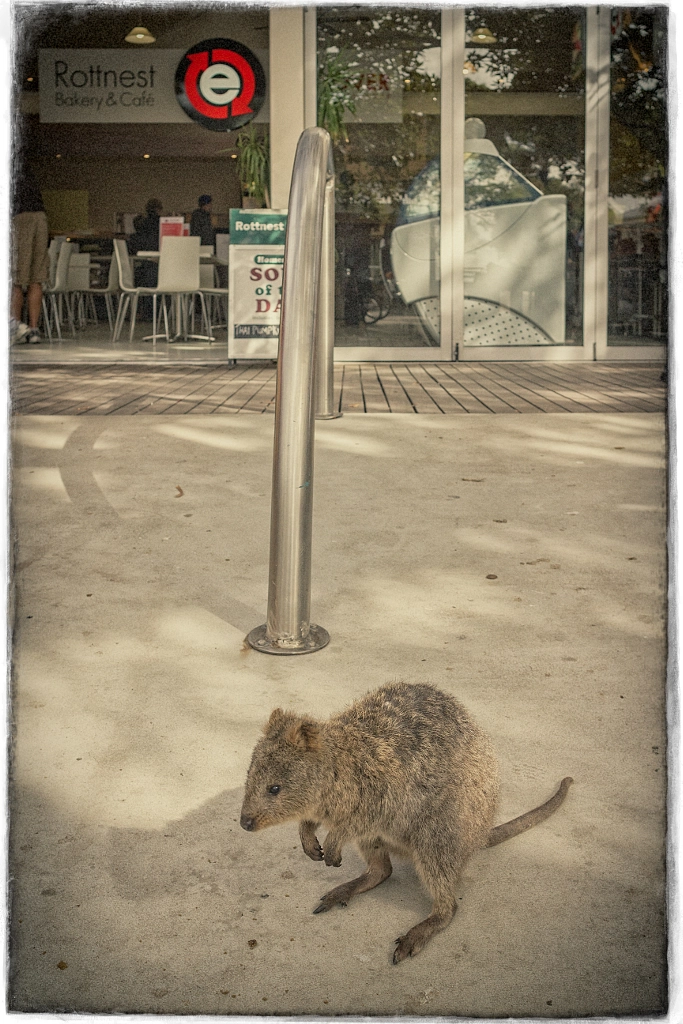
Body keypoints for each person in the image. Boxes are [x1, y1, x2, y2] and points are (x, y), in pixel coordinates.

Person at [11, 152, 50, 344]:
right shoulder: (27, 172)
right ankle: (34, 329)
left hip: (20, 217)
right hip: (40, 217)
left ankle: (15, 328)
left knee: (17, 279)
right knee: (36, 279)